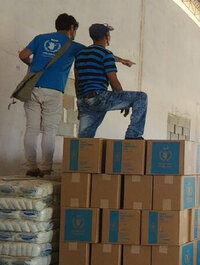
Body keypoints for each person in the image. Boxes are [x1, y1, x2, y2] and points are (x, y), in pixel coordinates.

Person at [19, 14, 134, 177]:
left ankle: (31, 167)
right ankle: (45, 168)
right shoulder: (73, 46)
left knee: (31, 128)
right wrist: (122, 60)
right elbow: (98, 53)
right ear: (72, 28)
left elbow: (23, 55)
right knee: (49, 129)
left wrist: (33, 66)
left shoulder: (40, 38)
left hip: (33, 89)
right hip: (54, 90)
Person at [74, 23, 147, 139]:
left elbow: (77, 81)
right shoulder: (106, 54)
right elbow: (113, 80)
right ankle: (133, 135)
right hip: (99, 98)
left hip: (84, 100)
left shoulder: (80, 55)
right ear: (107, 36)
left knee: (84, 141)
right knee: (141, 97)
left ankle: (82, 155)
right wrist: (124, 101)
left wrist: (80, 104)